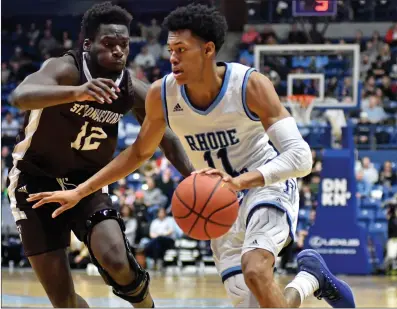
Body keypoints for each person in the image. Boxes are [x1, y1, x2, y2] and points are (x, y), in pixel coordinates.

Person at [28, 3, 355, 308]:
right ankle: (309, 279)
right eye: (171, 50)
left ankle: (307, 276)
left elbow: (301, 158)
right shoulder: (162, 93)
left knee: (255, 271)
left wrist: (240, 181)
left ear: (208, 50)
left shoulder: (250, 85)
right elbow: (139, 152)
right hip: (218, 202)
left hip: (264, 184)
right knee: (257, 302)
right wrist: (80, 191)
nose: (172, 58)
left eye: (181, 50)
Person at [8, 2, 194, 308]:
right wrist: (77, 92)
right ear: (88, 45)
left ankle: (147, 306)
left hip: (87, 182)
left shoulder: (130, 88)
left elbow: (168, 137)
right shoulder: (66, 69)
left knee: (117, 261)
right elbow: (19, 97)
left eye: (124, 44)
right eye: (109, 44)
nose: (119, 51)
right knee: (63, 300)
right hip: (34, 181)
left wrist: (194, 178)